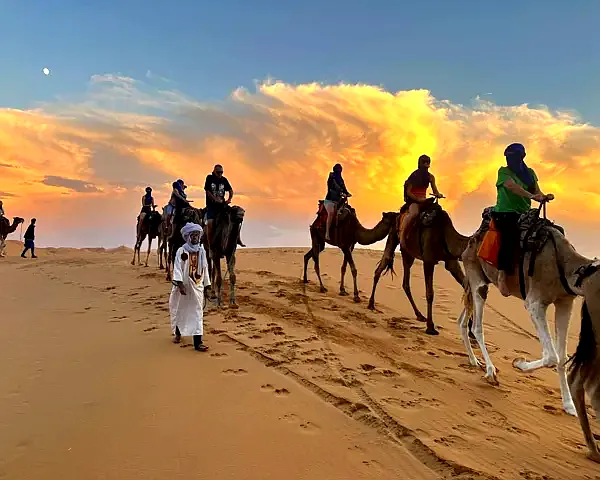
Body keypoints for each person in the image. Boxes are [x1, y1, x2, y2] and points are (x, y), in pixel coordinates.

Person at [492, 143, 553, 296]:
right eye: (508, 157)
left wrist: (542, 196)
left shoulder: (529, 173)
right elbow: (511, 186)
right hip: (505, 213)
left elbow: (536, 190)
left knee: (552, 232)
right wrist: (532, 196)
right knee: (510, 238)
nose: (509, 160)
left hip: (525, 213)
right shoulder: (504, 172)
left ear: (521, 157)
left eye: (512, 157)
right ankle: (502, 275)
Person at [169, 222, 211, 352]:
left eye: (197, 235)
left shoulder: (202, 251)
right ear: (187, 236)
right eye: (193, 235)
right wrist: (180, 284)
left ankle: (198, 342)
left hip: (197, 287)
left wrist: (207, 285)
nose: (195, 237)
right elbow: (177, 268)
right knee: (180, 309)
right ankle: (178, 333)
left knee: (197, 313)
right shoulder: (182, 251)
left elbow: (205, 269)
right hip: (184, 287)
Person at [399, 155, 444, 248]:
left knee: (438, 212)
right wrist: (418, 199)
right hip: (413, 201)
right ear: (420, 163)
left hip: (424, 200)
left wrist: (438, 194)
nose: (426, 164)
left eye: (428, 162)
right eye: (424, 162)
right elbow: (408, 191)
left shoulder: (431, 177)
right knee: (414, 214)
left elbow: (435, 190)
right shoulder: (414, 176)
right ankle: (402, 237)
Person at [204, 164, 233, 248]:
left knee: (234, 218)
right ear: (214, 171)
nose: (220, 174)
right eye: (218, 172)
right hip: (211, 206)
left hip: (222, 206)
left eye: (221, 172)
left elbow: (230, 190)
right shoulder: (209, 178)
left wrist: (229, 199)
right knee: (210, 224)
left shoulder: (224, 180)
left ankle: (237, 239)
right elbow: (207, 191)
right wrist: (214, 199)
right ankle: (210, 245)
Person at [324, 163, 352, 241]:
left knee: (348, 212)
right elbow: (333, 188)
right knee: (331, 213)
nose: (340, 171)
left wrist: (347, 193)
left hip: (338, 200)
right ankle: (327, 233)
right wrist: (341, 193)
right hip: (329, 200)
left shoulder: (340, 179)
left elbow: (343, 187)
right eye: (339, 170)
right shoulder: (331, 178)